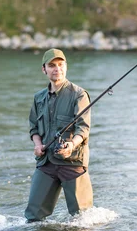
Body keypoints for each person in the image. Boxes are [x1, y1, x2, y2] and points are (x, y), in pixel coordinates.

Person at [24, 48, 93, 222]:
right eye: (52, 65)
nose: (57, 69)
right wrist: (37, 145)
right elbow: (33, 128)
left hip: (73, 163)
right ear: (44, 69)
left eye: (61, 65)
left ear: (66, 67)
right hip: (46, 162)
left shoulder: (79, 95)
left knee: (82, 220)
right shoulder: (38, 98)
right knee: (33, 219)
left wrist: (71, 145)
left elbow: (83, 128)